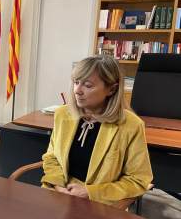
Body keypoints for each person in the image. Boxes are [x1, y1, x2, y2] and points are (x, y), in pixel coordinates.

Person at [41, 55, 152, 206]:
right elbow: (52, 157)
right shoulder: (62, 114)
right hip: (58, 194)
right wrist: (58, 186)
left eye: (87, 85)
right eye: (76, 82)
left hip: (99, 204)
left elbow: (138, 181)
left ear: (111, 89)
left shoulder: (131, 126)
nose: (77, 91)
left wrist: (91, 192)